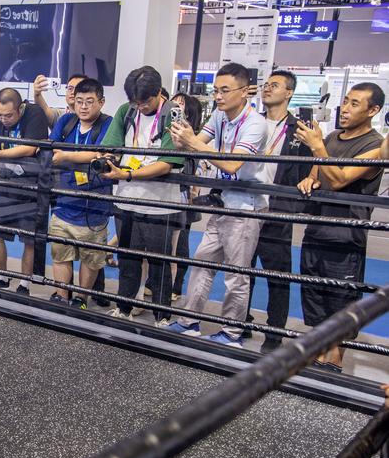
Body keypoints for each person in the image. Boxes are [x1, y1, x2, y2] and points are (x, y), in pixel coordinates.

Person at [168, 62, 270, 348]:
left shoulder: (255, 124)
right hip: (223, 202)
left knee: (237, 274)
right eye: (216, 90)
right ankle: (189, 321)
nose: (219, 96)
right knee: (202, 263)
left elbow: (233, 164)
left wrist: (193, 142)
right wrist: (181, 137)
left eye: (225, 90)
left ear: (245, 91)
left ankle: (232, 333)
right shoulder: (219, 116)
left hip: (246, 207)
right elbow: (193, 145)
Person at [295, 83, 386, 372]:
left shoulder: (375, 145)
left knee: (341, 302)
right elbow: (318, 173)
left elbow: (339, 179)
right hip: (317, 228)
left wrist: (317, 146)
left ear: (373, 110)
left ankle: (333, 363)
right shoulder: (332, 137)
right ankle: (318, 356)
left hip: (346, 236)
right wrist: (309, 180)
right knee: (314, 296)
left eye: (354, 104)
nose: (345, 109)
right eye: (345, 101)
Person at [86, 66, 184, 325]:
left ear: (159, 92)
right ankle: (124, 308)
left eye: (145, 102)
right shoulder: (126, 111)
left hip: (159, 203)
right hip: (126, 199)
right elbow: (110, 146)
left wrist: (128, 174)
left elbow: (167, 163)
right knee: (127, 259)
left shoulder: (173, 113)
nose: (140, 107)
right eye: (135, 102)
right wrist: (107, 159)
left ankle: (162, 315)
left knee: (159, 263)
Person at [243, 71, 313, 353]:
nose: (267, 89)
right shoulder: (252, 121)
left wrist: (294, 204)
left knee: (278, 276)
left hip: (278, 211)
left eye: (275, 85)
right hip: (248, 205)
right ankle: (241, 321)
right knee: (242, 270)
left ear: (289, 93)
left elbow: (310, 169)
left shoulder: (300, 130)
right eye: (266, 85)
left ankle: (274, 334)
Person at [47, 78, 114, 308]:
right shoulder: (66, 121)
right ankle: (62, 295)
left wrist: (67, 156)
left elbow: (103, 153)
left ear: (101, 102)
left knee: (91, 259)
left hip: (93, 208)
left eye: (89, 101)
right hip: (63, 203)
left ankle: (81, 298)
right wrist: (84, 156)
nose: (83, 106)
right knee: (60, 255)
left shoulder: (108, 124)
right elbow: (52, 148)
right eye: (79, 101)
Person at [0, 88, 49, 294]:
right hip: (6, 181)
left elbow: (30, 148)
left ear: (20, 108)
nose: (3, 119)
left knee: (29, 238)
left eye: (8, 115)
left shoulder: (34, 113)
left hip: (33, 183)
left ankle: (24, 284)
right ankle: (2, 277)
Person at [168, 92, 204, 300]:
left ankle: (176, 287)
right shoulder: (165, 133)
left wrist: (193, 194)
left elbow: (194, 169)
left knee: (180, 244)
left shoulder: (194, 139)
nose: (175, 107)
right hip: (166, 194)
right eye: (174, 103)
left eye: (180, 104)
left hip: (184, 196)